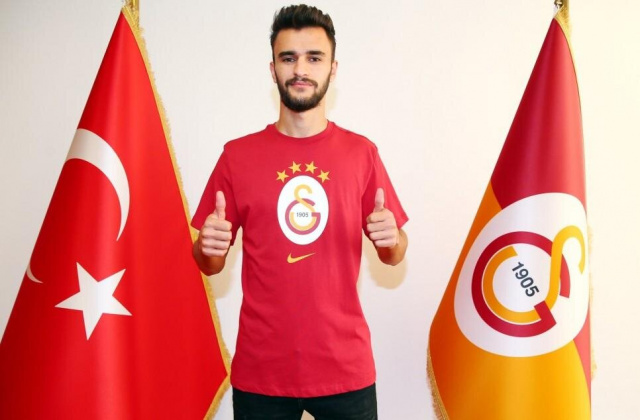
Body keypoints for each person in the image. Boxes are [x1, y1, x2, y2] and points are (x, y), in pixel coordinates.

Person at [191, 5, 408, 419]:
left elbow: (394, 254)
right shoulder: (236, 157)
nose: (300, 70)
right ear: (272, 69)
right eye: (288, 58)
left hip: (345, 369)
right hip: (262, 372)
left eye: (314, 58)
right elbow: (208, 263)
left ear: (333, 69)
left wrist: (392, 238)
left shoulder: (362, 154)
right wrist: (207, 246)